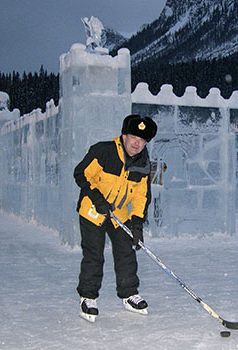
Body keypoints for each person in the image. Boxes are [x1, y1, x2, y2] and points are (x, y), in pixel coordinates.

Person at [73, 114, 157, 322]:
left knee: (126, 251)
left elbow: (141, 195)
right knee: (94, 254)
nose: (137, 143)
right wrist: (97, 198)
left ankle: (129, 294)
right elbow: (81, 173)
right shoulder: (104, 151)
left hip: (118, 213)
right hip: (93, 210)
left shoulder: (143, 162)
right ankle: (88, 296)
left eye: (142, 140)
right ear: (124, 136)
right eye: (133, 137)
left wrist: (137, 223)